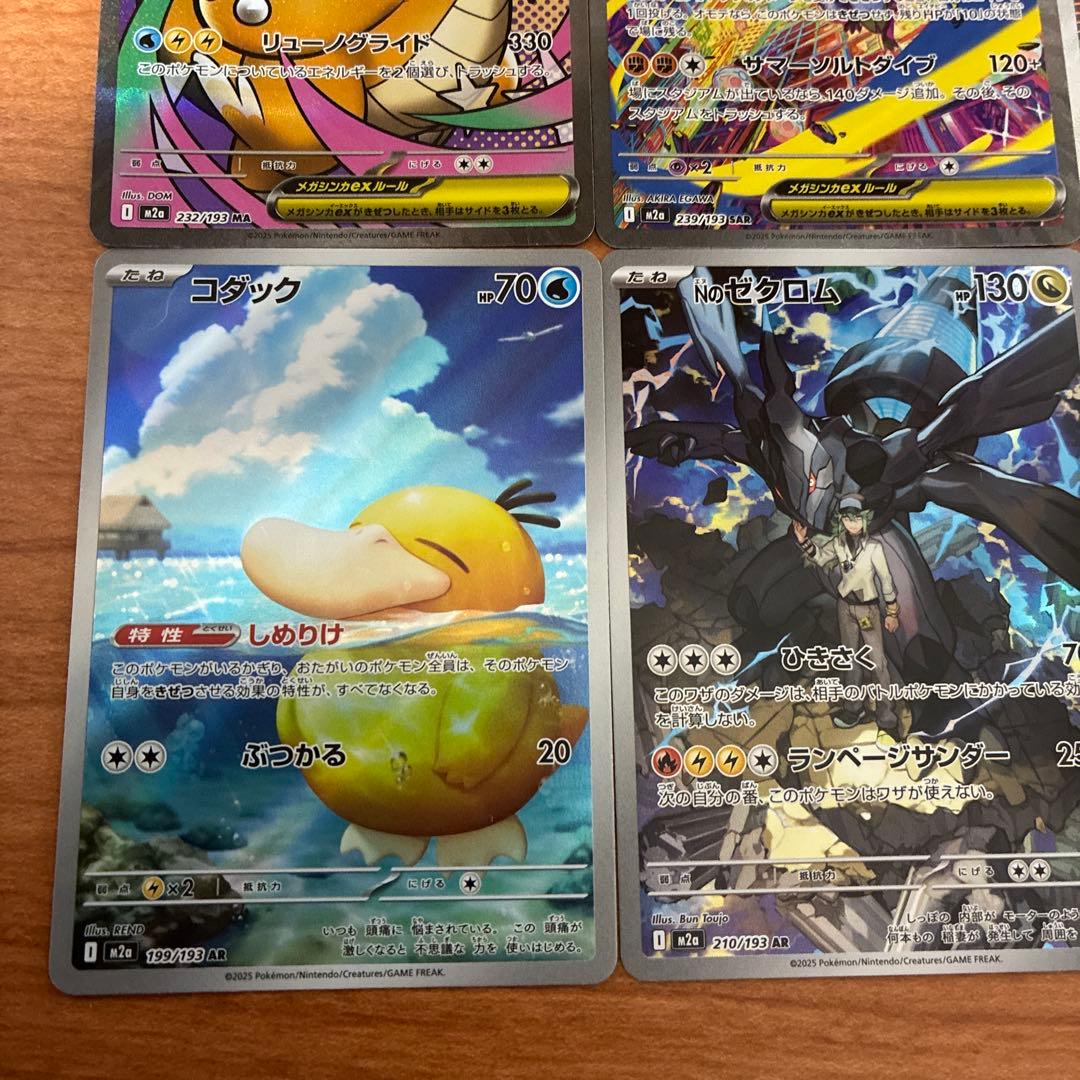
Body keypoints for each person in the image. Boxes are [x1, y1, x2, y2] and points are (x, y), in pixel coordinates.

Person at [791, 494, 900, 731]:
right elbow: (821, 557)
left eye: (857, 519)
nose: (852, 524)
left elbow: (886, 580)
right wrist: (803, 541)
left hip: (867, 609)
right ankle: (853, 709)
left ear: (865, 519)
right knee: (850, 659)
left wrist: (892, 612)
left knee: (877, 662)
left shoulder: (874, 548)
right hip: (845, 607)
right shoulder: (838, 543)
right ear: (841, 520)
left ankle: (887, 715)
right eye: (848, 519)